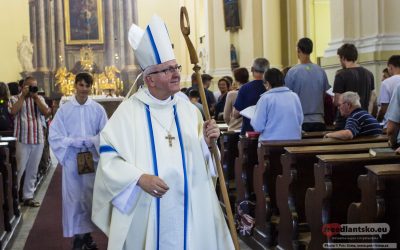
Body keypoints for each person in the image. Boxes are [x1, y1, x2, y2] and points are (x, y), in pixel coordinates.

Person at [92, 15, 234, 250]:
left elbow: (202, 159)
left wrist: (209, 143)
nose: (176, 73)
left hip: (190, 204)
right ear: (150, 80)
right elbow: (109, 157)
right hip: (148, 205)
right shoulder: (128, 112)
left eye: (175, 67)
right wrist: (139, 178)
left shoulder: (189, 110)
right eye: (167, 70)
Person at [49, 72, 108, 250]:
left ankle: (87, 235)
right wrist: (71, 142)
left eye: (87, 86)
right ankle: (78, 235)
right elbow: (55, 134)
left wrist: (93, 141)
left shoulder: (97, 109)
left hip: (92, 159)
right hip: (72, 160)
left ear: (91, 87)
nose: (84, 89)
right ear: (75, 85)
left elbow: (106, 133)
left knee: (89, 197)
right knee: (74, 198)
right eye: (81, 85)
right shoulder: (65, 109)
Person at [10, 76, 50, 207]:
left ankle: (28, 196)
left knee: (33, 170)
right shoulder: (15, 98)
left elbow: (46, 112)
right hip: (22, 139)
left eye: (34, 86)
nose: (32, 89)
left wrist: (36, 97)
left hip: (37, 138)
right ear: (23, 87)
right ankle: (13, 199)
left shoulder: (39, 98)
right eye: (29, 86)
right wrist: (23, 96)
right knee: (19, 169)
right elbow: (13, 111)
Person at [285, 37, 330, 132]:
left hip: (300, 120)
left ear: (298, 50)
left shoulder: (292, 72)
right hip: (319, 120)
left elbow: (288, 97)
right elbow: (324, 95)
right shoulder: (321, 71)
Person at [251, 68, 303, 141]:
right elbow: (300, 120)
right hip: (294, 141)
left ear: (268, 84)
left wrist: (253, 118)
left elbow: (258, 127)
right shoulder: (294, 96)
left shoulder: (265, 99)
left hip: (271, 143)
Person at [333, 43, 375, 129]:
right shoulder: (369, 74)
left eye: (339, 58)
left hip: (346, 122)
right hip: (363, 120)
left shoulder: (341, 75)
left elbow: (337, 101)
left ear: (343, 58)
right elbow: (373, 98)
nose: (340, 62)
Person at [233, 57, 269, 135]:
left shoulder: (245, 88)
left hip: (249, 132)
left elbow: (236, 114)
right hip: (268, 133)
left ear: (252, 69)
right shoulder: (271, 87)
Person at [377, 55, 400, 125]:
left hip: (391, 124)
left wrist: (377, 120)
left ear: (390, 67)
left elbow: (384, 108)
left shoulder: (386, 83)